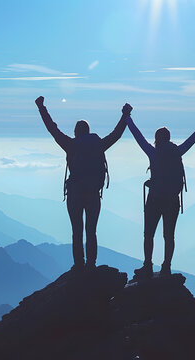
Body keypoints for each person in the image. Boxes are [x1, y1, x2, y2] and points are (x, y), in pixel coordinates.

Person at [36, 96, 130, 270]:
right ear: (88, 131)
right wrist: (125, 115)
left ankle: (79, 265)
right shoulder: (99, 145)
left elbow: (52, 128)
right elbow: (116, 134)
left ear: (76, 132)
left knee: (77, 231)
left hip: (75, 194)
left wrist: (41, 107)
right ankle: (91, 265)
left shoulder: (71, 145)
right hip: (93, 193)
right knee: (91, 231)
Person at [126, 105, 195, 276]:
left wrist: (127, 117)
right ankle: (166, 267)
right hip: (172, 200)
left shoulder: (153, 153)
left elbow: (137, 136)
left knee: (149, 235)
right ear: (169, 139)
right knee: (169, 236)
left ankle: (147, 266)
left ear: (157, 139)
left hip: (154, 199)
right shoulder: (178, 151)